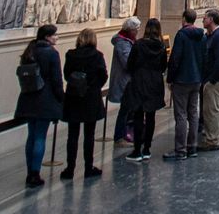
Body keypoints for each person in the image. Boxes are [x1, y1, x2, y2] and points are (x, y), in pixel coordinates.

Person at [14, 24, 63, 187]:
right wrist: (61, 99)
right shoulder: (52, 54)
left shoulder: (30, 51)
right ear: (48, 37)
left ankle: (30, 171)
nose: (57, 37)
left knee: (32, 135)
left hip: (28, 98)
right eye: (55, 35)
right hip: (45, 100)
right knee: (40, 136)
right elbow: (57, 81)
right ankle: (35, 173)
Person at [60, 27, 108, 179]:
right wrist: (93, 87)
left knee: (72, 135)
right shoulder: (97, 55)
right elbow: (103, 75)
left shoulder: (71, 55)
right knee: (89, 135)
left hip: (74, 97)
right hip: (90, 98)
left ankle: (70, 168)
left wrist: (77, 85)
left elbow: (67, 74)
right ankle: (88, 167)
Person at [160, 9, 205, 161]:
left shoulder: (181, 35)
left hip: (182, 80)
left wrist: (170, 78)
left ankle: (180, 149)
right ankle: (192, 146)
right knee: (193, 113)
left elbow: (175, 58)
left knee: (180, 114)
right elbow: (204, 57)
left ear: (184, 19)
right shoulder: (201, 36)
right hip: (196, 79)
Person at [124, 17, 168, 162]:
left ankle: (137, 150)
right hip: (154, 82)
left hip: (139, 81)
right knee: (150, 116)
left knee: (138, 115)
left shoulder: (139, 44)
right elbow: (163, 66)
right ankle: (147, 148)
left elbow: (130, 64)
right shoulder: (161, 46)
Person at [199, 9, 219, 151]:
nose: (203, 20)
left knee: (211, 110)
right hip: (217, 78)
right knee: (216, 109)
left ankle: (212, 140)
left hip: (215, 80)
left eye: (205, 18)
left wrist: (211, 80)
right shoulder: (217, 34)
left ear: (211, 19)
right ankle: (218, 137)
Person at [108, 16, 140, 144]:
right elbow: (127, 63)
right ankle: (119, 136)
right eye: (136, 29)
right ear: (130, 30)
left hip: (129, 81)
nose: (137, 31)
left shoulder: (128, 41)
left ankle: (126, 133)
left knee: (128, 109)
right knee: (125, 110)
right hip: (124, 81)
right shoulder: (122, 43)